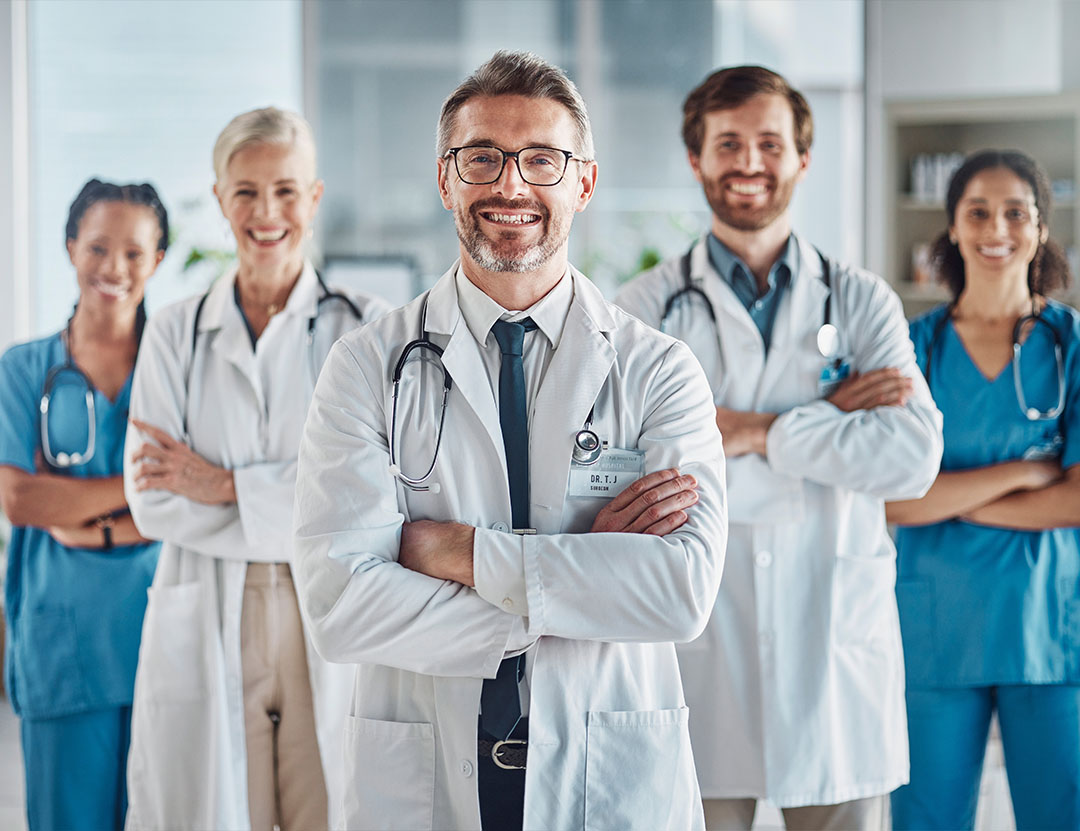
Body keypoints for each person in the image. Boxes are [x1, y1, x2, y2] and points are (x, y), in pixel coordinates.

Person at [292, 50, 727, 831]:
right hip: (427, 776)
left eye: (542, 160)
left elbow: (680, 591)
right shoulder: (364, 367)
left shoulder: (659, 370)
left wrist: (459, 553)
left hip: (609, 772)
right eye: (482, 157)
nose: (511, 184)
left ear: (584, 183)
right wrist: (580, 581)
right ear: (445, 178)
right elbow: (339, 604)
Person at [616, 65, 943, 830]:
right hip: (698, 651)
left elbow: (912, 456)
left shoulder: (859, 299)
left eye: (770, 142)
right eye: (728, 142)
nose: (750, 161)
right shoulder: (643, 308)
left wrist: (758, 429)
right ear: (696, 158)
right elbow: (623, 466)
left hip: (833, 654)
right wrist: (830, 418)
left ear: (803, 156)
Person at [122, 107, 388, 831]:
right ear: (217, 200)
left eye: (285, 190)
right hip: (210, 605)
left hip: (326, 610)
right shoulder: (175, 330)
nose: (266, 212)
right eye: (245, 191)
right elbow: (152, 501)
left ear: (315, 197)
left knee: (329, 808)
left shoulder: (368, 328)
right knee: (214, 807)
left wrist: (225, 485)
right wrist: (302, 503)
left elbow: (375, 495)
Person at [887, 150, 1080, 830]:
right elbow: (891, 500)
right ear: (954, 229)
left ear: (1040, 230)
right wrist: (1027, 471)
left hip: (1049, 635)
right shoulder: (911, 349)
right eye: (978, 211)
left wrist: (949, 496)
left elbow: (1076, 498)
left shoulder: (1072, 344)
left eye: (1015, 212)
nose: (996, 227)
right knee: (926, 819)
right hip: (937, 634)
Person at [0, 178, 167, 830]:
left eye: (134, 252)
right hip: (62, 649)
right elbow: (20, 498)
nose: (114, 268)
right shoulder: (24, 369)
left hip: (164, 642)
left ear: (156, 260)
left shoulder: (175, 366)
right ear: (71, 248)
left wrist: (82, 517)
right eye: (98, 247)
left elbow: (198, 495)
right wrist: (141, 491)